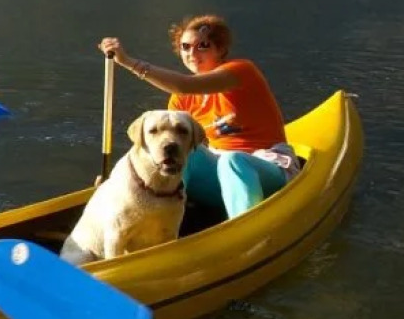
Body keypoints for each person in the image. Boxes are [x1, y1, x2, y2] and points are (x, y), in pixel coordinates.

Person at [99, 13, 298, 220]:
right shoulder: (181, 100)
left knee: (232, 160)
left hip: (267, 165)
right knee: (179, 153)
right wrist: (116, 181)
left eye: (202, 46)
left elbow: (184, 85)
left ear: (220, 49)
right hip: (218, 169)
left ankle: (247, 227)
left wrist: (128, 62)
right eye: (185, 47)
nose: (192, 53)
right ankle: (159, 219)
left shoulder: (241, 71)